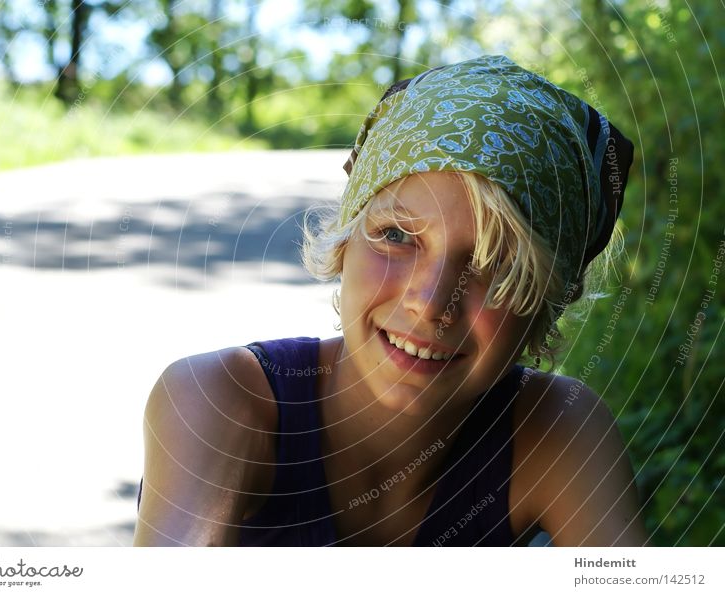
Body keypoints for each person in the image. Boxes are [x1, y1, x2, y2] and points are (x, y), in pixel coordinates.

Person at [132, 54, 650, 547]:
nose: (430, 303)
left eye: (497, 263)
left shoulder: (553, 429)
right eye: (398, 235)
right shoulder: (219, 400)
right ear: (345, 241)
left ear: (547, 299)